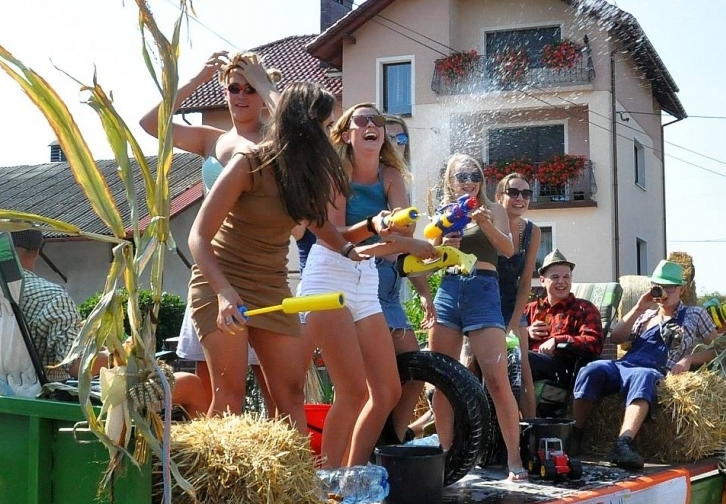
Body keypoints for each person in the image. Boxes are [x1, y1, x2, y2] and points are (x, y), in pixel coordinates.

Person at [189, 84, 350, 429]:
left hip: (270, 284)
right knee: (230, 397)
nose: (331, 134)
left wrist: (350, 250)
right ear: (306, 127)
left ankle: (299, 481)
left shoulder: (303, 176)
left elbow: (317, 223)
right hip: (221, 281)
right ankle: (212, 481)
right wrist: (224, 294)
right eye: (325, 126)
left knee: (290, 395)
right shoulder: (248, 163)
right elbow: (198, 236)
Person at [300, 103, 437, 466]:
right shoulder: (336, 173)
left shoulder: (390, 175)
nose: (373, 124)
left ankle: (352, 476)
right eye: (363, 120)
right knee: (353, 391)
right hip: (330, 270)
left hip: (367, 275)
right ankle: (327, 480)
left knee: (387, 391)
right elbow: (335, 236)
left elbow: (398, 236)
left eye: (377, 120)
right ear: (347, 134)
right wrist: (406, 242)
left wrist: (410, 242)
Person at [143, 51, 276, 418]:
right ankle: (216, 469)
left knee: (280, 394)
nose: (241, 96)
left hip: (267, 267)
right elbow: (150, 122)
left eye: (251, 88)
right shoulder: (210, 140)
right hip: (216, 267)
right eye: (234, 87)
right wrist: (200, 78)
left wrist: (268, 86)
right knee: (223, 390)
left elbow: (306, 135)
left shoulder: (279, 140)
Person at [426, 154, 526, 478]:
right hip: (450, 289)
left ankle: (515, 459)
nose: (468, 181)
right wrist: (444, 245)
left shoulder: (494, 210)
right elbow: (429, 261)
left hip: (483, 289)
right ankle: (446, 456)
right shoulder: (444, 213)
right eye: (461, 176)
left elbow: (509, 250)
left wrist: (483, 223)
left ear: (482, 180)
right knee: (442, 381)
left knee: (497, 381)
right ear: (450, 182)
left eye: (474, 175)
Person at [571, 260, 718, 470]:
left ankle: (623, 443)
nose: (664, 292)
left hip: (653, 369)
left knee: (644, 376)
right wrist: (639, 308)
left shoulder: (695, 314)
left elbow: (718, 349)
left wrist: (688, 360)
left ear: (681, 289)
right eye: (659, 286)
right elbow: (616, 338)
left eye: (670, 287)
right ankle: (575, 435)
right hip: (626, 364)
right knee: (591, 369)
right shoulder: (647, 314)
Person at [524, 250, 604, 403]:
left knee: (521, 359)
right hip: (531, 363)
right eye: (555, 277)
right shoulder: (530, 309)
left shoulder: (584, 308)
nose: (562, 281)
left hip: (565, 368)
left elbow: (595, 343)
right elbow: (508, 335)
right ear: (542, 280)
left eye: (566, 276)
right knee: (497, 358)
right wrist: (527, 332)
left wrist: (557, 341)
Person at [492, 174, 542, 418]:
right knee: (474, 366)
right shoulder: (488, 224)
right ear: (499, 197)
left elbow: (525, 283)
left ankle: (532, 434)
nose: (520, 198)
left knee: (523, 371)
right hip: (485, 303)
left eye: (526, 193)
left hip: (513, 304)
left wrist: (513, 323)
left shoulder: (532, 231)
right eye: (513, 192)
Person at [8, 230, 82, 378]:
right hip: (43, 398)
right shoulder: (52, 298)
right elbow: (76, 365)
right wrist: (118, 355)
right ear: (36, 252)